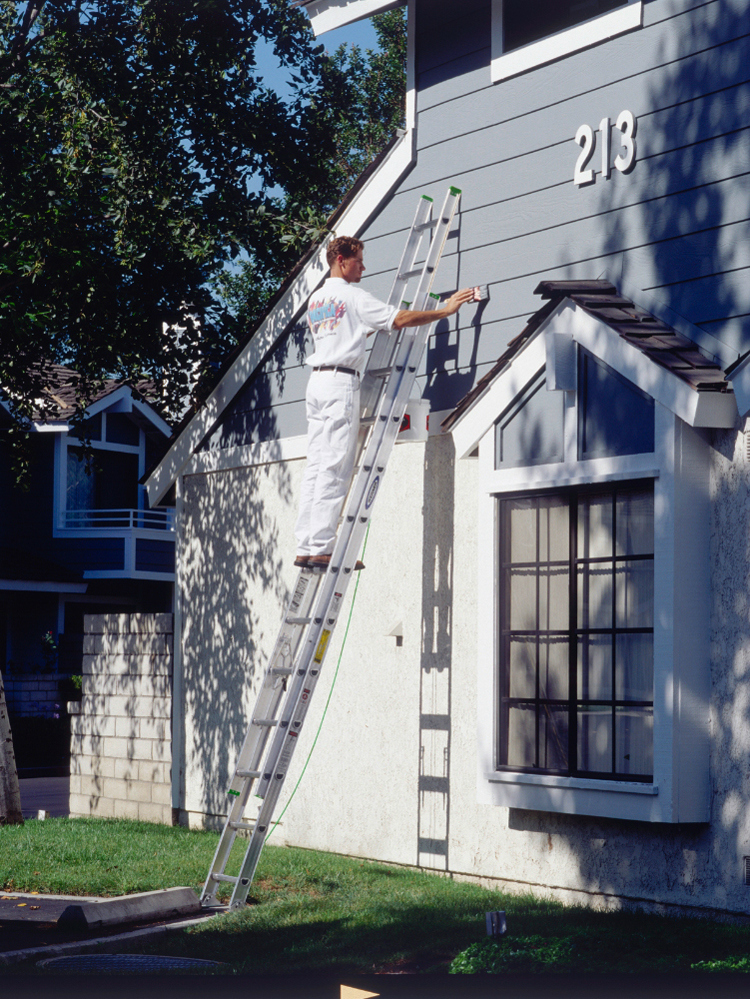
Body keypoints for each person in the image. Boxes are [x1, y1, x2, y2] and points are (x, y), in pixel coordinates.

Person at [294, 236, 474, 570]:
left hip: (316, 382)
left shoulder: (318, 299)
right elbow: (401, 319)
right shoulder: (353, 296)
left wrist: (364, 331)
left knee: (317, 465)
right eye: (359, 260)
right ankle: (322, 546)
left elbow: (342, 332)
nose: (364, 266)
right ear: (342, 260)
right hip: (339, 383)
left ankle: (306, 544)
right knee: (335, 464)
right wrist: (445, 310)